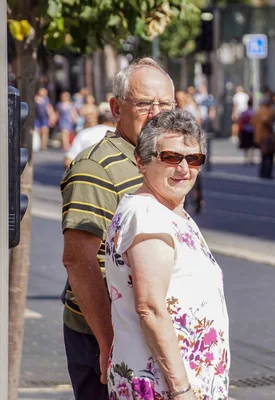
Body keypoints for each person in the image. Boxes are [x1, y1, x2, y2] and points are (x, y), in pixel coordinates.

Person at [61, 57, 175, 400]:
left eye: (165, 104)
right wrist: (108, 340)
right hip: (109, 335)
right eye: (144, 104)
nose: (156, 113)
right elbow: (79, 261)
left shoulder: (157, 159)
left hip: (147, 331)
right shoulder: (95, 167)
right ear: (116, 108)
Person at [104, 109, 229, 399]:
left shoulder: (169, 212)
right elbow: (150, 308)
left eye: (194, 159)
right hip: (163, 386)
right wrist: (181, 389)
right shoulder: (147, 215)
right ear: (141, 161)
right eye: (172, 157)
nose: (184, 168)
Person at [252, 96, 275, 179]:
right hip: (268, 136)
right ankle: (268, 173)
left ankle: (263, 172)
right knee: (269, 156)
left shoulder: (258, 111)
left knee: (264, 155)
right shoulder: (270, 111)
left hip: (259, 136)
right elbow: (266, 120)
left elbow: (252, 122)